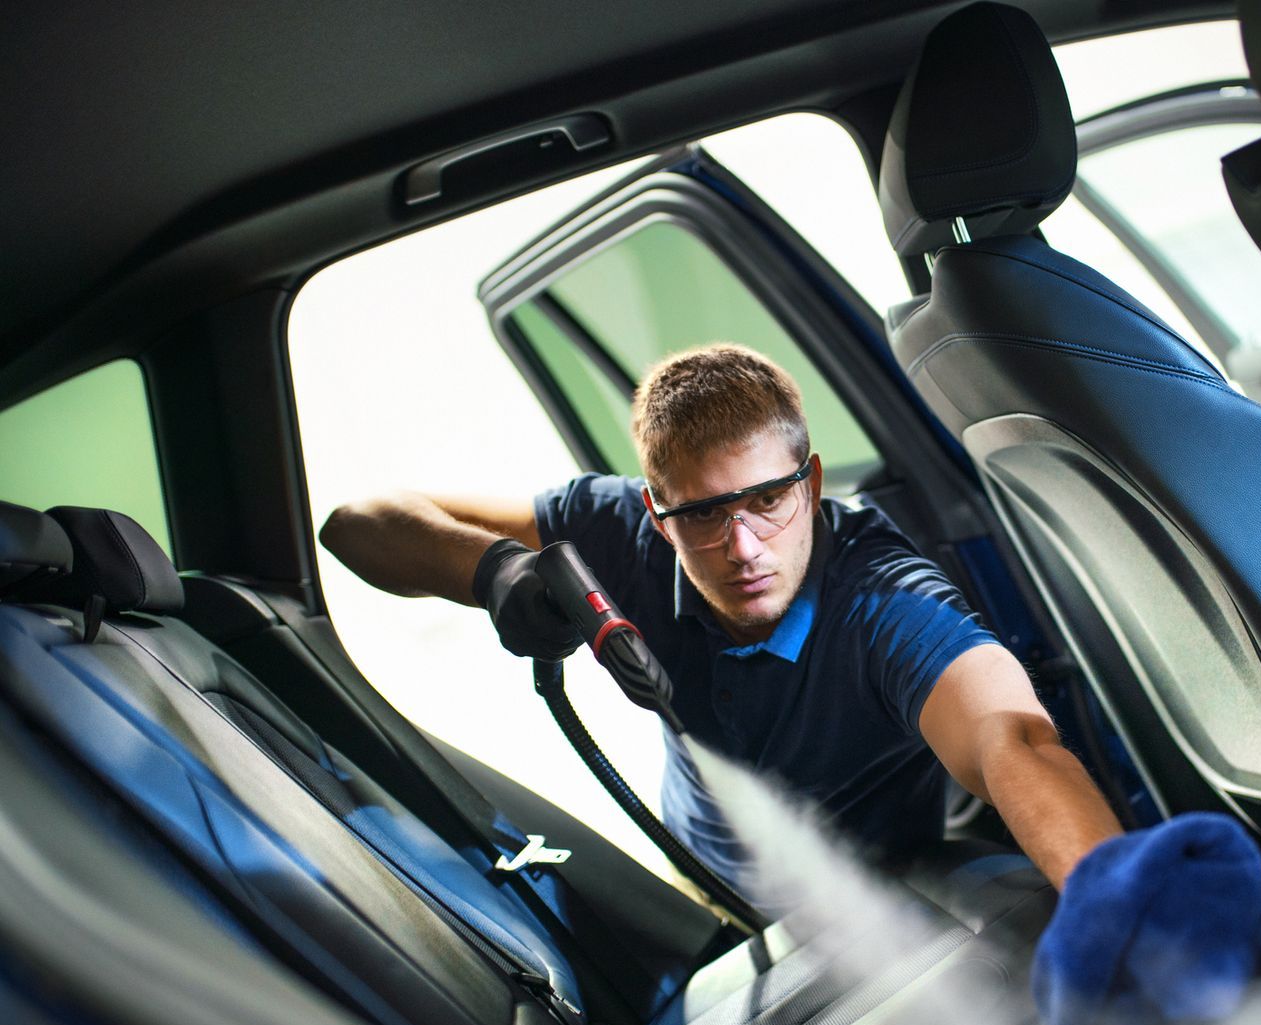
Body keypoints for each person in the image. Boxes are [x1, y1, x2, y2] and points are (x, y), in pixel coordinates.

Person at [322, 343, 1121, 897]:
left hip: (880, 887)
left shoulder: (882, 600)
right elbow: (357, 522)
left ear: (808, 483)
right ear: (656, 513)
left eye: (767, 500)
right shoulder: (611, 529)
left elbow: (1012, 740)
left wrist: (1117, 896)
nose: (742, 547)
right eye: (703, 513)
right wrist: (497, 571)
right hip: (703, 869)